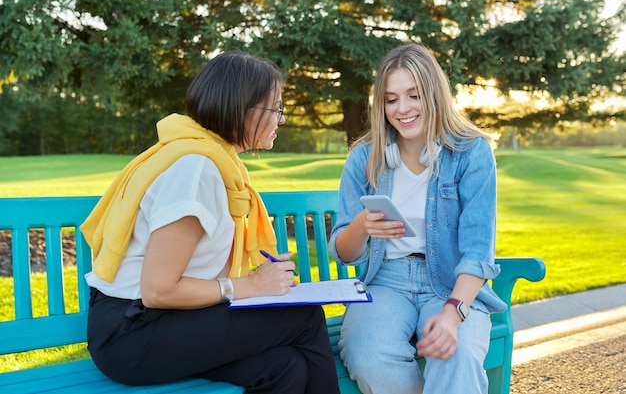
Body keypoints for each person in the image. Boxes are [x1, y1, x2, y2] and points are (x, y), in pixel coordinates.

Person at [80, 51, 340, 394]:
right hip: (132, 334)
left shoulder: (214, 161)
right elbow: (157, 290)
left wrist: (258, 284)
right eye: (275, 109)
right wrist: (250, 286)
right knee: (303, 317)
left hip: (165, 322)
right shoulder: (195, 169)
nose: (281, 119)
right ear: (243, 108)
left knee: (284, 368)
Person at [328, 43, 507, 394]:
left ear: (435, 94)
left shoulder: (472, 153)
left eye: (414, 95)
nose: (402, 109)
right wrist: (362, 226)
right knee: (369, 355)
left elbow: (478, 252)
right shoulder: (364, 157)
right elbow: (343, 253)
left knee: (456, 355)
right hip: (385, 283)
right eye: (391, 99)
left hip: (450, 283)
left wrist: (454, 313)